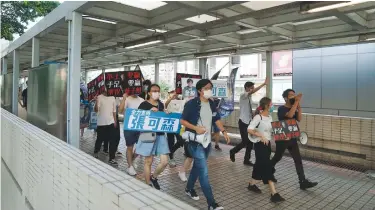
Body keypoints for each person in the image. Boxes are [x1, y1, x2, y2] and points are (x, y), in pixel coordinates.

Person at [181, 79, 230, 210]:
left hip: (206, 141)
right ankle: (211, 204)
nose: (210, 90)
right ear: (199, 90)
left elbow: (216, 119)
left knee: (197, 167)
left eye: (211, 88)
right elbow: (182, 121)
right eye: (207, 88)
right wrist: (196, 128)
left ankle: (189, 188)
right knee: (203, 172)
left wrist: (224, 131)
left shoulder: (212, 103)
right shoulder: (191, 104)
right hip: (194, 142)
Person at [271, 89, 318, 190]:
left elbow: (299, 118)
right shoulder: (281, 108)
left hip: (292, 137)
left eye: (294, 95)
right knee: (277, 157)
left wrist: (298, 105)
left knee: (298, 160)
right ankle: (268, 171)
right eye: (291, 95)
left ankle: (302, 181)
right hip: (283, 138)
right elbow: (289, 115)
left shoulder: (294, 107)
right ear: (285, 98)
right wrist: (296, 102)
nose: (294, 96)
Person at [247, 97, 285, 203]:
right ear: (267, 106)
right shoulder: (258, 117)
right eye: (271, 104)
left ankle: (252, 184)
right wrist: (260, 135)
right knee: (267, 167)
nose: (272, 106)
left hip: (267, 145)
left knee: (259, 165)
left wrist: (281, 133)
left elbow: (271, 130)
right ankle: (274, 193)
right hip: (259, 145)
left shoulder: (269, 117)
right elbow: (249, 129)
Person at [136, 84, 170, 190]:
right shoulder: (143, 104)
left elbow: (162, 118)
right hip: (148, 135)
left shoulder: (160, 104)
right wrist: (149, 112)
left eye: (158, 91)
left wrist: (165, 113)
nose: (156, 93)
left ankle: (154, 177)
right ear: (149, 93)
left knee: (164, 162)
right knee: (148, 161)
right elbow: (138, 119)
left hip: (160, 135)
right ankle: (148, 184)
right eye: (154, 91)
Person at [230, 78, 268, 166]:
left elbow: (249, 110)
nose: (252, 89)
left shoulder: (250, 98)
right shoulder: (243, 95)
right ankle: (233, 151)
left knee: (250, 142)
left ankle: (246, 160)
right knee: (245, 141)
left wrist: (256, 112)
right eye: (251, 88)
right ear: (247, 88)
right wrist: (263, 84)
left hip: (250, 122)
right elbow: (252, 92)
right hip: (243, 122)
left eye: (253, 87)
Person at [119, 92, 144, 176]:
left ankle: (131, 159)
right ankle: (130, 166)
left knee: (141, 147)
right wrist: (124, 98)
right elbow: (120, 111)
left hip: (140, 127)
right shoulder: (127, 99)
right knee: (130, 147)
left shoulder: (142, 100)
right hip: (129, 127)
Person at [93, 89, 118, 166]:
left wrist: (115, 121)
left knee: (112, 141)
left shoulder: (113, 97)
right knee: (100, 139)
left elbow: (114, 111)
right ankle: (96, 152)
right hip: (101, 123)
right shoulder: (99, 97)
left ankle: (112, 158)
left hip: (111, 122)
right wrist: (96, 101)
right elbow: (96, 110)